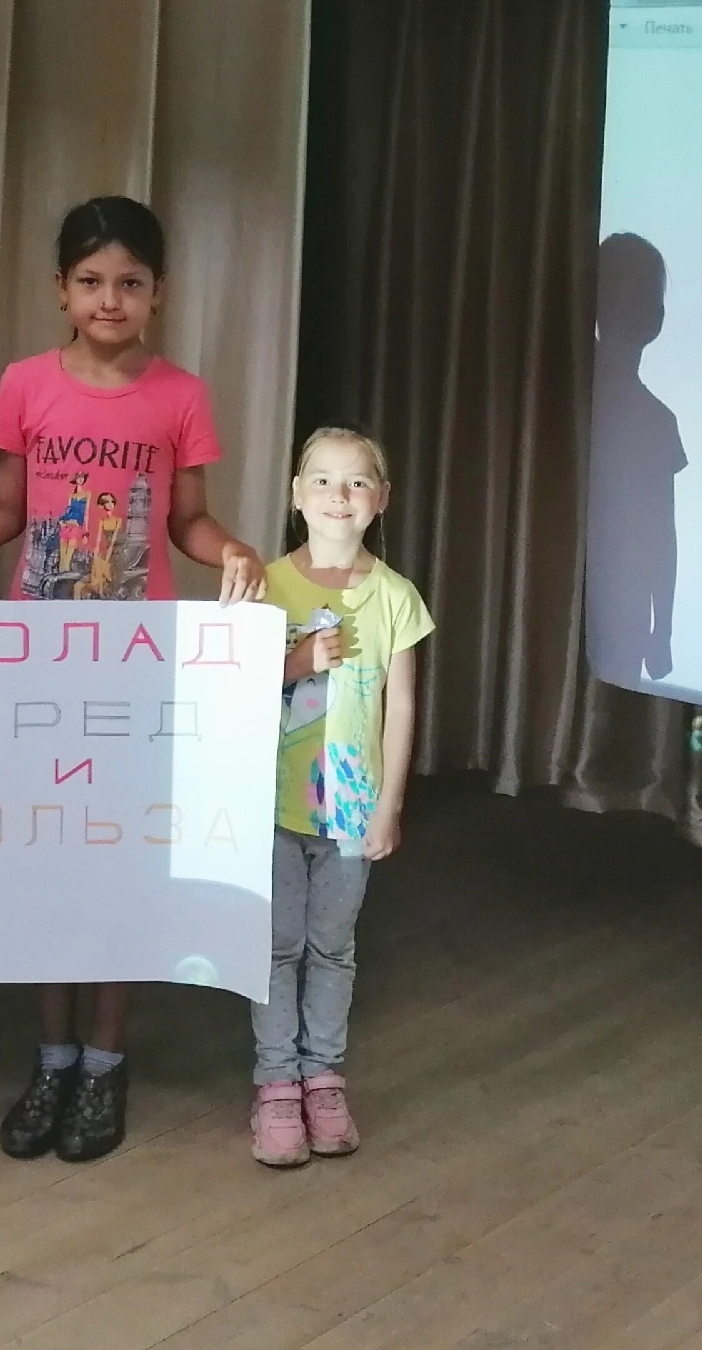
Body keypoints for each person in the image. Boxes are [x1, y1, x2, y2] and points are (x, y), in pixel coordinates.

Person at [0, 195, 266, 1164]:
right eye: (92, 281)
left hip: (133, 672)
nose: (110, 299)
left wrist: (231, 548)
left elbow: (188, 521)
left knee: (116, 862)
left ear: (158, 293)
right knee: (47, 859)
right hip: (39, 666)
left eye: (130, 283)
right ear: (60, 288)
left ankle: (106, 1061)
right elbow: (4, 510)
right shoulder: (25, 383)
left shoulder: (181, 395)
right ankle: (51, 1056)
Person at [250, 428, 431, 1167]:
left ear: (380, 499)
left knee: (332, 947)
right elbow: (227, 689)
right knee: (275, 947)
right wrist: (296, 662)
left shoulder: (396, 597)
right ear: (297, 495)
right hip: (269, 806)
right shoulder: (265, 586)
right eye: (322, 480)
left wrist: (389, 805)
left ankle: (323, 1078)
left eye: (357, 482)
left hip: (352, 811)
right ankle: (275, 1084)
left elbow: (402, 706)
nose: (339, 495)